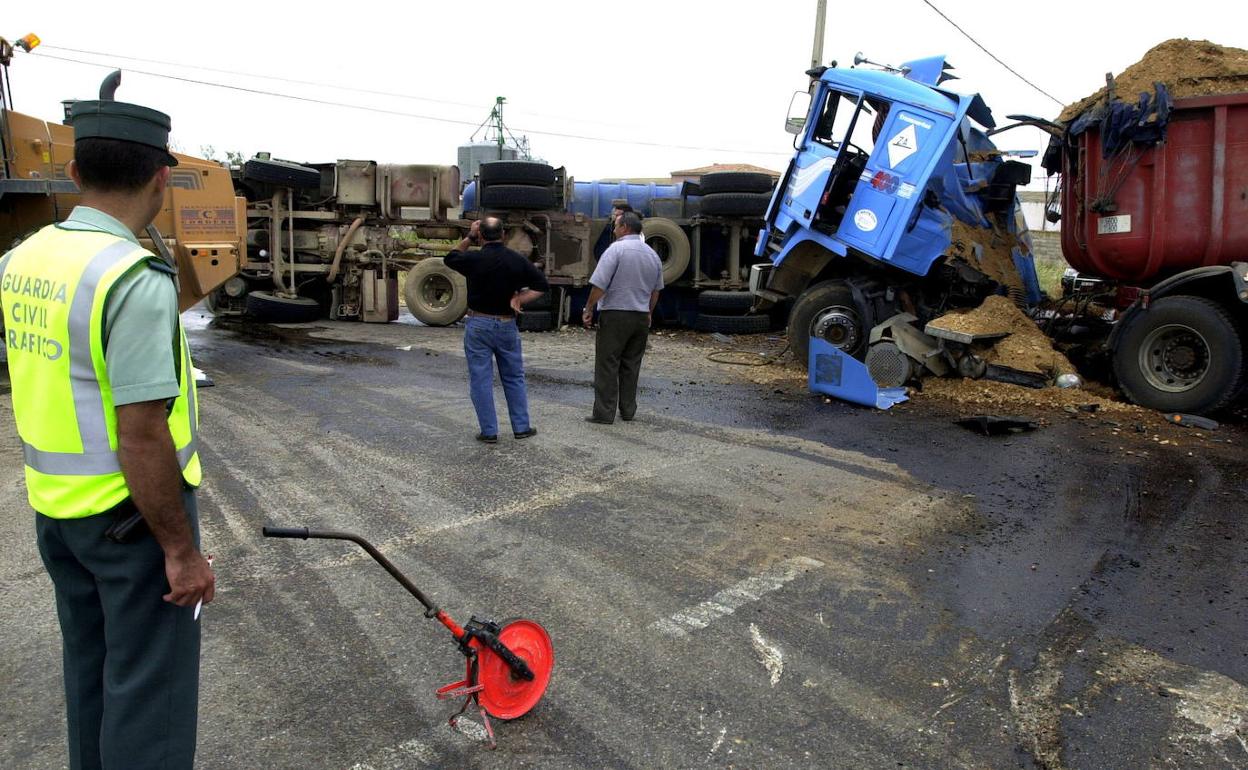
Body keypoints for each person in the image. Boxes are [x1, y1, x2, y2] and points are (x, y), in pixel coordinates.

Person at [0, 96, 214, 769]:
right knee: (151, 698)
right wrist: (180, 552)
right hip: (131, 520)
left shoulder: (23, 260)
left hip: (57, 513)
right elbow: (142, 433)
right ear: (159, 179)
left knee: (91, 675)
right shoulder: (134, 278)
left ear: (72, 173)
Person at [445, 217, 549, 443]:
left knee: (480, 379)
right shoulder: (516, 260)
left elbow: (450, 257)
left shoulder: (473, 259)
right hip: (506, 325)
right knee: (513, 377)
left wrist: (469, 237)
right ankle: (521, 427)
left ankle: (489, 431)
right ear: (503, 235)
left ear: (481, 236)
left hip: (478, 324)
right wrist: (520, 298)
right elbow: (542, 285)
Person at [582, 211, 663, 424]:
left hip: (615, 314)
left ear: (625, 227)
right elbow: (656, 292)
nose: (614, 230)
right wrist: (648, 313)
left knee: (607, 364)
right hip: (640, 317)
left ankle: (604, 413)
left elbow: (600, 284)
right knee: (631, 365)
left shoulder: (615, 250)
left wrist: (589, 307)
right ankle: (628, 411)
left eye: (616, 226)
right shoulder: (652, 255)